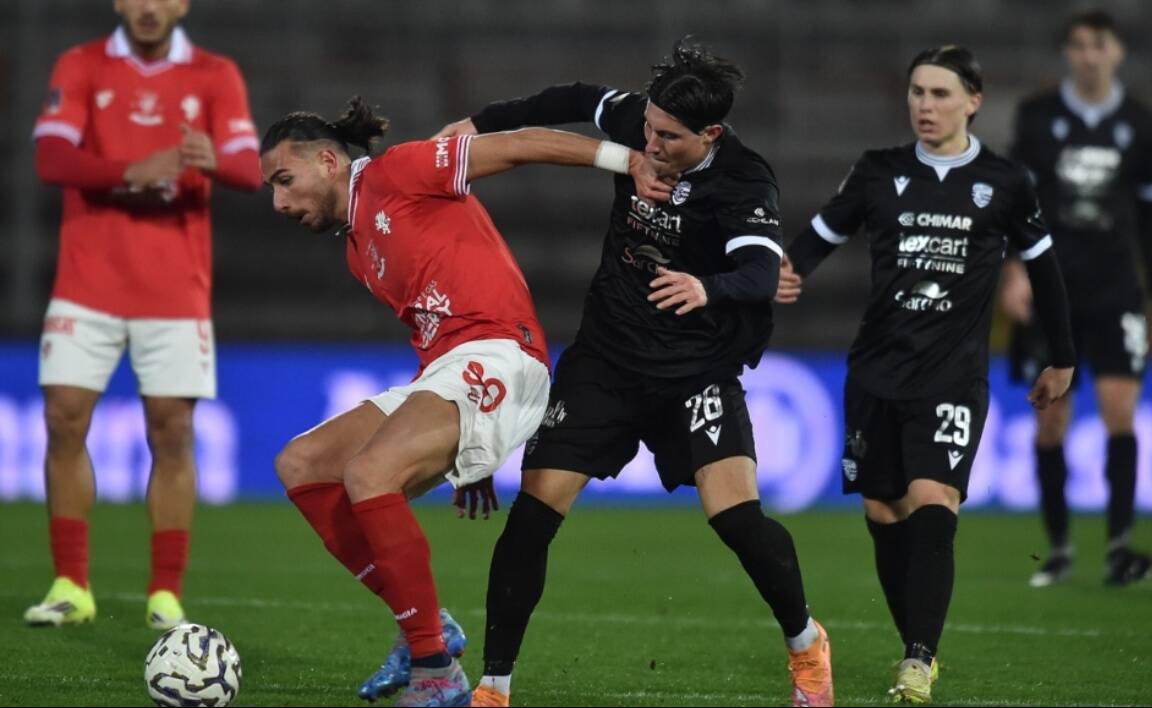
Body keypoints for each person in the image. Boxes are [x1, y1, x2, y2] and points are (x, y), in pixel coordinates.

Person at [432, 39, 834, 708]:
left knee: (737, 520)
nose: (651, 143)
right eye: (648, 127)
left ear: (710, 135)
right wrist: (478, 124)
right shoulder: (637, 122)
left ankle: (806, 644)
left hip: (694, 370)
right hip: (607, 360)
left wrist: (706, 287)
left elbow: (762, 273)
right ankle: (494, 688)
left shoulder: (744, 180)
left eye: (668, 137)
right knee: (532, 517)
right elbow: (565, 99)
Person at [262, 97, 670, 707]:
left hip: (503, 352)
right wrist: (462, 443)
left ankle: (433, 668)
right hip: (450, 370)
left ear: (326, 161)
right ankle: (424, 627)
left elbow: (519, 145)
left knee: (369, 474)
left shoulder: (399, 172)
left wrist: (626, 160)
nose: (278, 202)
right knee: (301, 464)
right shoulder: (358, 250)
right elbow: (434, 335)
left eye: (283, 180)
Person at [777, 46, 1075, 704]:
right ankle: (917, 642)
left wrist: (1063, 357)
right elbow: (821, 234)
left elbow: (1045, 269)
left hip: (953, 374)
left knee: (935, 497)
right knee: (884, 509)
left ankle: (917, 658)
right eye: (917, 92)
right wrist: (787, 269)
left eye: (940, 94)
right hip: (876, 371)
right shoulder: (879, 170)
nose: (925, 105)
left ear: (973, 101)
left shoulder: (1005, 181)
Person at [25, 0, 260, 630]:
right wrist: (132, 171)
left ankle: (165, 594)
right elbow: (51, 159)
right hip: (87, 282)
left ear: (182, 4)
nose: (150, 6)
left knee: (173, 433)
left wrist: (212, 158)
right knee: (63, 419)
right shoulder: (82, 65)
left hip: (175, 289)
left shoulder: (215, 74)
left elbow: (248, 167)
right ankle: (71, 584)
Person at [1000, 9, 1152, 588]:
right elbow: (1016, 204)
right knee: (1051, 423)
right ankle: (1059, 549)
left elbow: (1149, 218)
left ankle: (1119, 545)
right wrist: (1015, 270)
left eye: (1098, 44)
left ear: (1117, 51)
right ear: (1067, 53)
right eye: (1078, 45)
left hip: (1117, 288)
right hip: (1052, 289)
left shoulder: (1142, 124)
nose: (1088, 55)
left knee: (1120, 412)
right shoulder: (1036, 117)